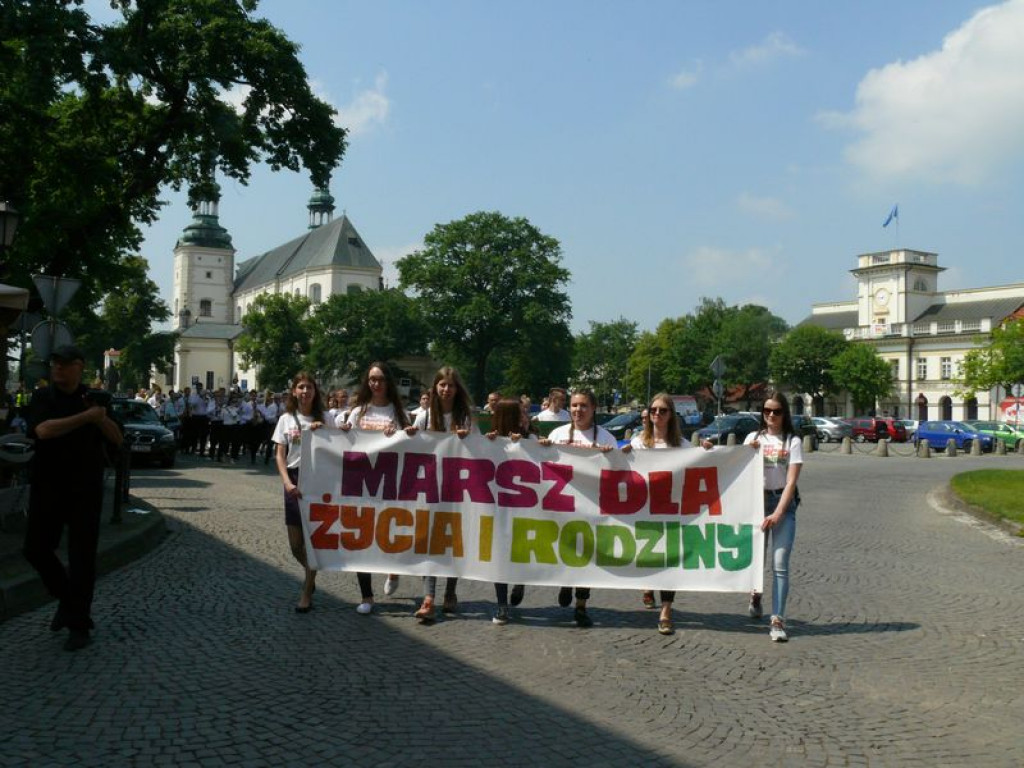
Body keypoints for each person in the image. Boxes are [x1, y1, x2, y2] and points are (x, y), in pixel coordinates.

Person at [22, 345, 123, 651]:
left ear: (80, 367)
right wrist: (87, 417)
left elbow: (117, 438)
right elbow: (44, 430)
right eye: (54, 364)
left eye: (65, 364)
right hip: (48, 484)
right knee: (35, 549)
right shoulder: (43, 397)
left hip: (85, 488)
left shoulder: (95, 399)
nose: (58, 369)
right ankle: (68, 601)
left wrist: (100, 417)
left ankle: (79, 625)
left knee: (82, 558)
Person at [630, 393, 713, 635]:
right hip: (644, 509)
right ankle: (647, 584)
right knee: (646, 554)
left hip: (672, 511)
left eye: (663, 411)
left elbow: (699, 461)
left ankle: (666, 609)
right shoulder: (638, 443)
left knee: (669, 560)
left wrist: (707, 451)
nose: (657, 414)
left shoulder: (682, 445)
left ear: (671, 415)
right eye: (654, 410)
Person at [541, 389, 618, 627]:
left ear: (593, 409)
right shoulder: (557, 433)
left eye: (583, 406)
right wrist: (541, 448)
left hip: (591, 507)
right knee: (564, 549)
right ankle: (565, 582)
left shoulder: (606, 438)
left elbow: (619, 471)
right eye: (574, 405)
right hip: (561, 506)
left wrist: (611, 457)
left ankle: (581, 605)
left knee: (587, 555)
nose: (578, 410)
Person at [337, 361, 410, 612]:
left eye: (379, 379)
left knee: (388, 533)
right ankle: (366, 596)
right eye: (371, 379)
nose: (375, 383)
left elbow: (410, 449)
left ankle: (393, 569)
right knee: (361, 537)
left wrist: (399, 436)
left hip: (389, 482)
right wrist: (343, 432)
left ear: (388, 382)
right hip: (362, 482)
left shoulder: (399, 414)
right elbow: (347, 445)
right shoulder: (359, 412)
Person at [406, 366, 474, 623]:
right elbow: (411, 447)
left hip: (456, 488)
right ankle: (429, 597)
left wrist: (468, 438)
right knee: (428, 540)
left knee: (452, 540)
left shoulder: (465, 416)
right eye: (442, 385)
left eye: (451, 385)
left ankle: (450, 590)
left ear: (458, 389)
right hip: (429, 488)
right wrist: (410, 435)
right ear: (435, 387)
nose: (446, 389)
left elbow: (478, 452)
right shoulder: (423, 416)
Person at [744, 390, 803, 643]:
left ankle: (777, 619)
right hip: (756, 503)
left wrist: (778, 512)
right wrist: (748, 451)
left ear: (784, 414)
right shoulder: (753, 437)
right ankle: (755, 594)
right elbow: (734, 467)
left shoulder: (793, 441)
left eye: (776, 411)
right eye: (766, 411)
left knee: (780, 563)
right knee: (757, 560)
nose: (770, 415)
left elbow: (791, 482)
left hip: (783, 504)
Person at [273, 371, 328, 614]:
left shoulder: (326, 417)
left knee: (313, 540)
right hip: (294, 480)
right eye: (301, 387)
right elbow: (280, 454)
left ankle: (307, 591)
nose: (305, 391)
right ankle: (311, 573)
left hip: (317, 480)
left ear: (315, 392)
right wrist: (286, 482)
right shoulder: (285, 419)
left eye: (309, 387)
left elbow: (344, 441)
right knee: (296, 545)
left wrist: (325, 430)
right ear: (294, 391)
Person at [484, 397, 530, 625]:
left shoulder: (528, 438)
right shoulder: (488, 440)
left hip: (524, 508)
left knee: (519, 550)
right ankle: (502, 604)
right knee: (500, 556)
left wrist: (527, 443)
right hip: (498, 508)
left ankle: (520, 581)